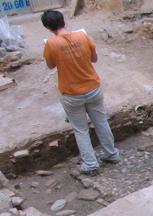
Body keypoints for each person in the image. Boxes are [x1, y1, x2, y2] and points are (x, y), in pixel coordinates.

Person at [41, 10, 120, 176]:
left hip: (71, 93)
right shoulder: (83, 36)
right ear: (64, 22)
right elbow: (94, 59)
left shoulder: (51, 44)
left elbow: (50, 65)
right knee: (101, 122)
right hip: (93, 87)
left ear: (48, 27)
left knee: (81, 130)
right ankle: (111, 154)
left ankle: (91, 164)